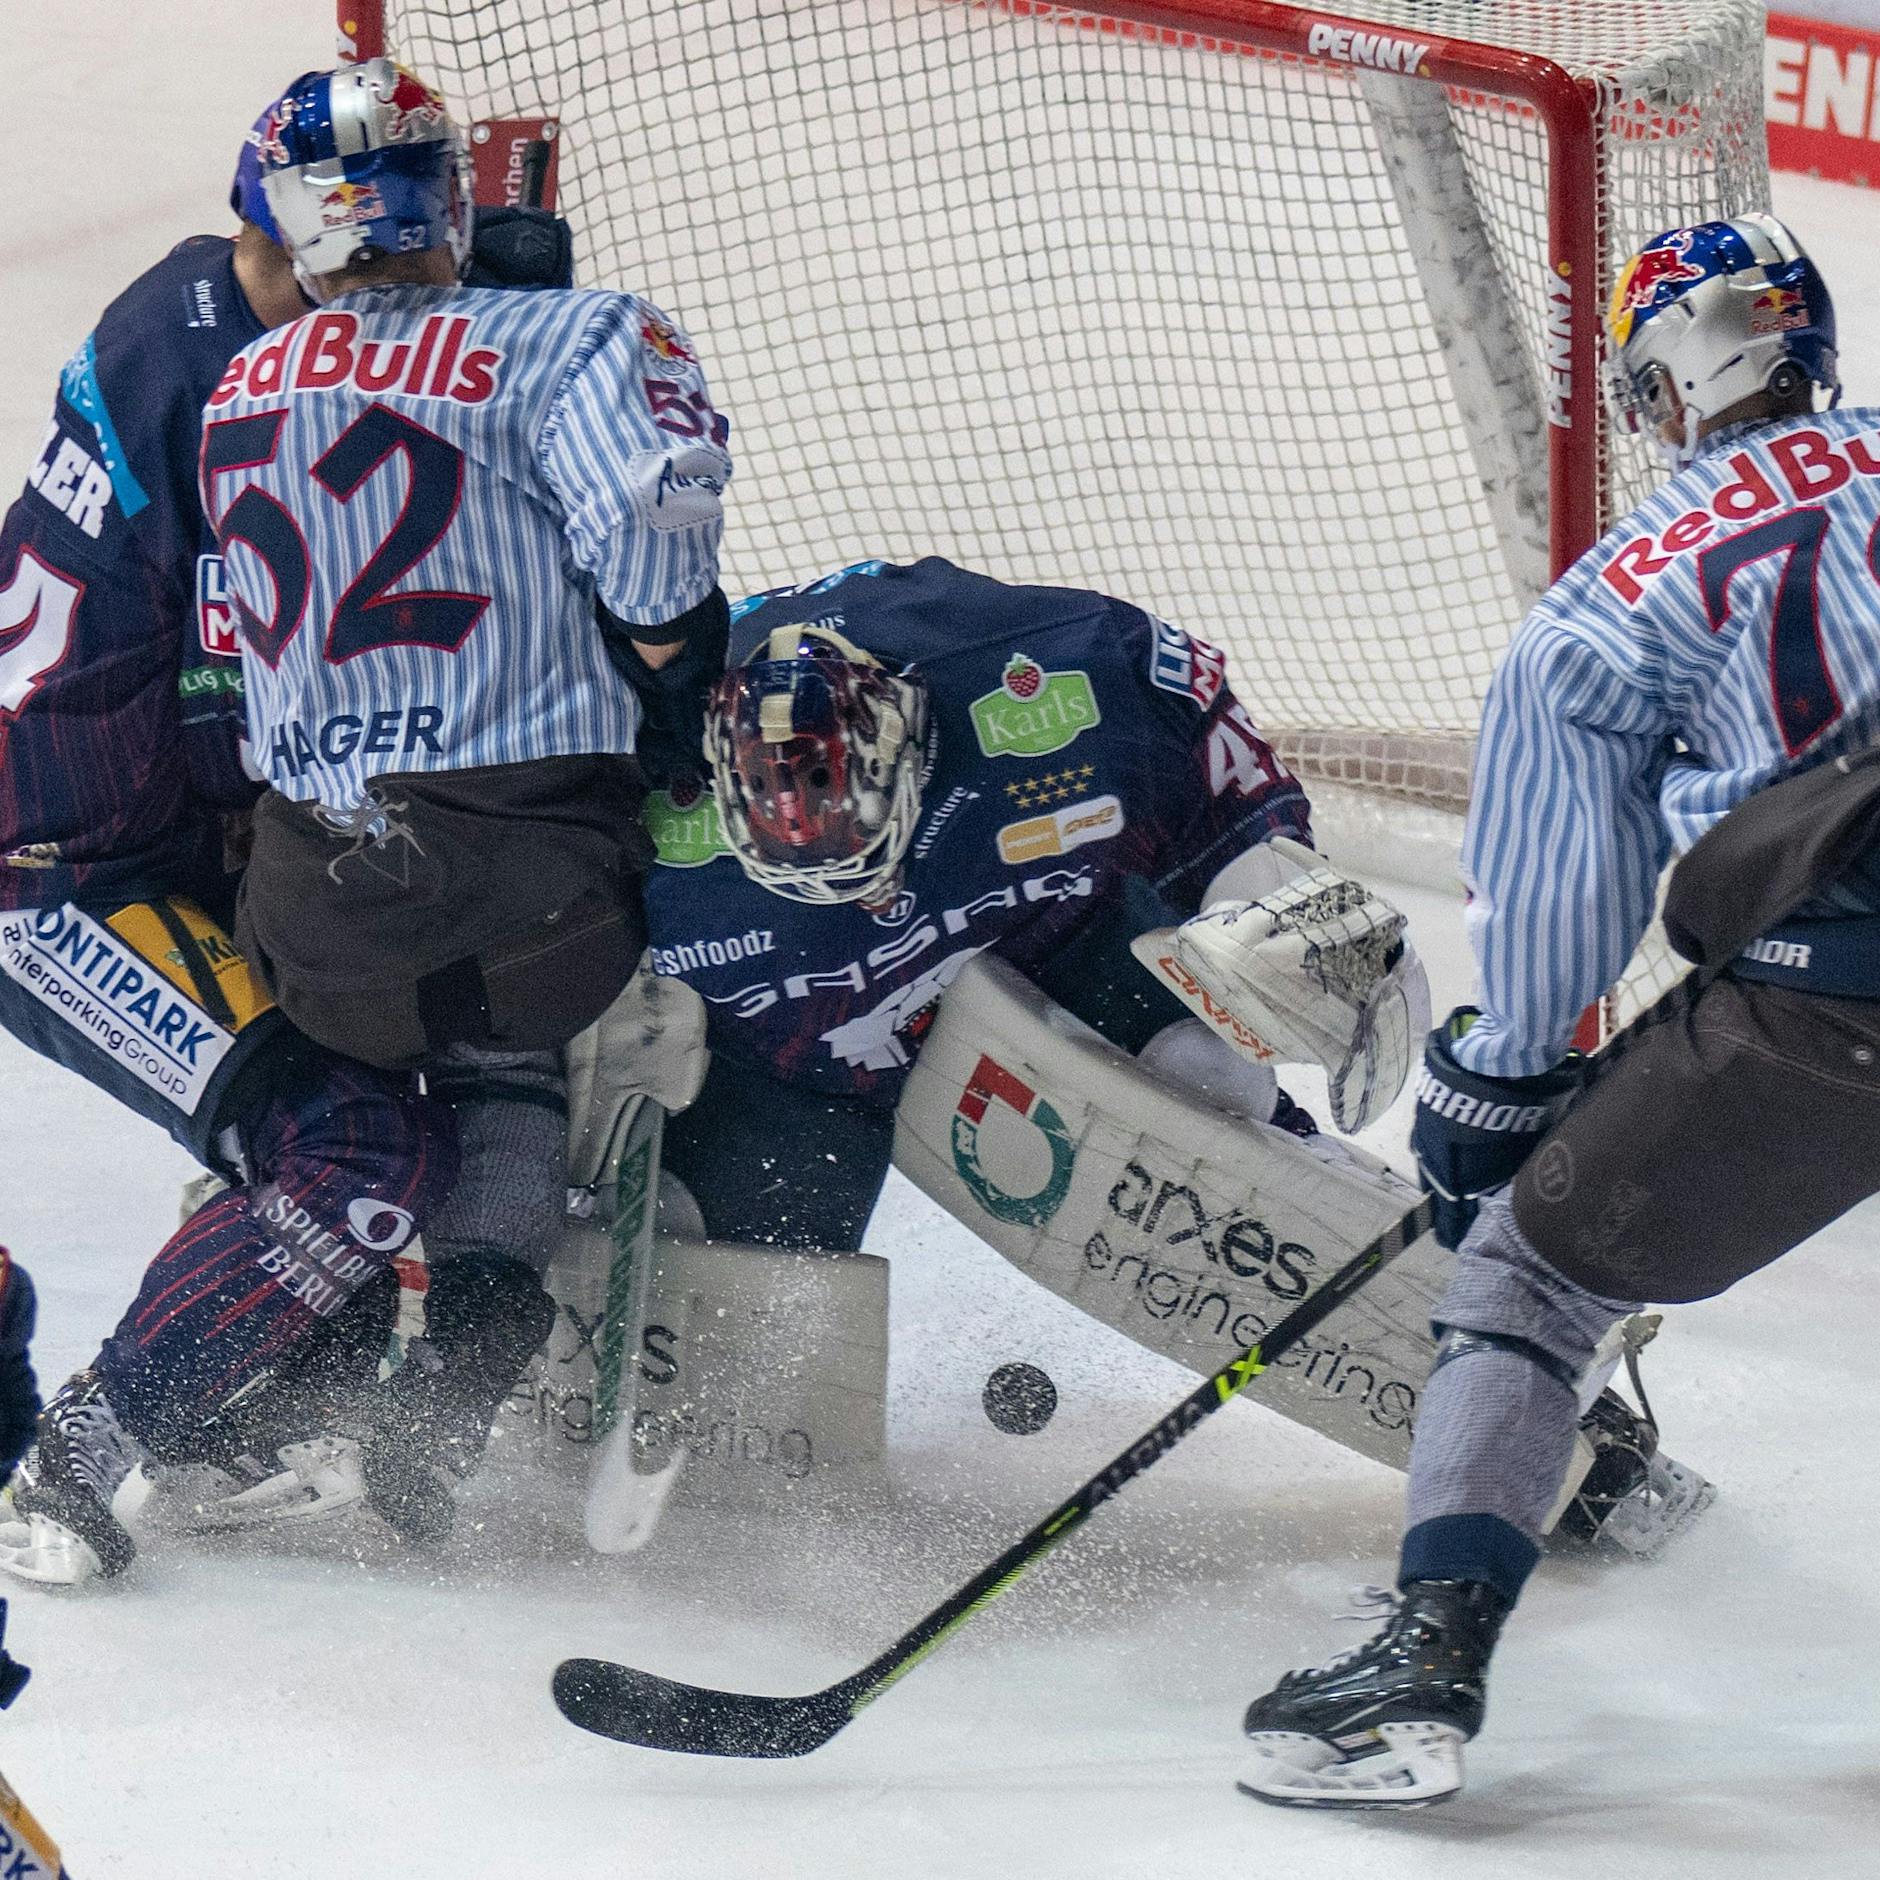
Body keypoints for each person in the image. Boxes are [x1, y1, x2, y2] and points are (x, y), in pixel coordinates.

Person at [1237, 213, 1874, 1809]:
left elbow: (1552, 909)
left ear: (1661, 387)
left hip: (1834, 1016)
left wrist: (1496, 1083)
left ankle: (1418, 1675)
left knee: (1524, 1278)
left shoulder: (1616, 598)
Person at [0, 72, 584, 1586]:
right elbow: (284, 695)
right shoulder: (213, 398)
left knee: (446, 1012)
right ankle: (66, 1465)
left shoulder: (221, 315)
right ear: (304, 252)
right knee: (354, 1136)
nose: (410, 302)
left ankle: (228, 1398)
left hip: (159, 834)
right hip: (60, 884)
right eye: (386, 275)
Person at [207, 59, 731, 1080]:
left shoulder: (235, 387)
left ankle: (423, 1139)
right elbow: (656, 578)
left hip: (313, 950)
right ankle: (553, 1116)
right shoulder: (583, 333)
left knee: (415, 971)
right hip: (543, 928)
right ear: (450, 197)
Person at [642, 555, 1414, 1243]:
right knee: (711, 1258)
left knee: (1207, 1070)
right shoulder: (639, 777)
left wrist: (1285, 896)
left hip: (1045, 942)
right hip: (789, 1064)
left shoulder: (1059, 671)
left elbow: (1192, 704)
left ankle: (1296, 1172)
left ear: (909, 743)